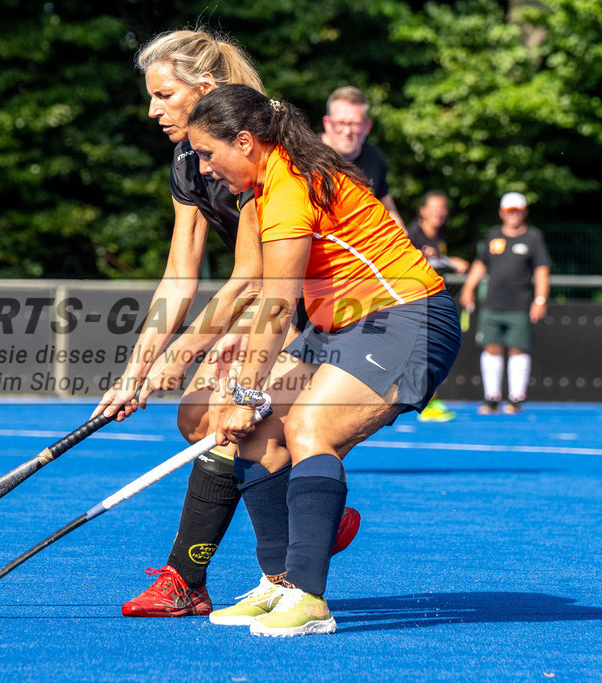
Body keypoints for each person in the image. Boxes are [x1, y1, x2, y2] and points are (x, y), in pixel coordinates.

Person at [137, 84, 460, 636]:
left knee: (310, 427)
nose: (206, 170)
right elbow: (251, 286)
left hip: (406, 316)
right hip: (343, 325)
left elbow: (277, 301)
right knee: (250, 432)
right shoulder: (264, 187)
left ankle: (309, 598)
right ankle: (279, 581)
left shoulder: (287, 186)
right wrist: (205, 374)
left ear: (244, 141)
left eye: (210, 155)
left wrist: (243, 392)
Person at [92, 29, 359, 619]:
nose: (153, 108)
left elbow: (252, 278)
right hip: (266, 297)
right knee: (196, 418)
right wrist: (135, 369)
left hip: (313, 306)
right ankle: (302, 519)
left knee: (223, 417)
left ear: (204, 90)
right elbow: (179, 272)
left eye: (164, 95)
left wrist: (185, 352)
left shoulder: (247, 151)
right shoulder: (191, 158)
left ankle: (193, 578)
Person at [459, 192, 550, 415]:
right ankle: (492, 398)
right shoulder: (493, 235)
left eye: (517, 210)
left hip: (520, 305)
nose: (513, 215)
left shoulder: (533, 237)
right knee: (491, 348)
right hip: (492, 303)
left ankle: (516, 399)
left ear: (524, 212)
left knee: (518, 349)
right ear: (502, 212)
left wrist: (540, 299)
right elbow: (481, 265)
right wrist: (468, 288)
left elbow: (541, 271)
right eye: (510, 211)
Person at [405, 190, 469, 422]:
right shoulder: (412, 235)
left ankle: (427, 399)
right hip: (413, 302)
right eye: (433, 208)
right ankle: (425, 403)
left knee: (429, 351)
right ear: (422, 210)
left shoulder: (437, 237)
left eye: (442, 208)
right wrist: (449, 261)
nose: (438, 213)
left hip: (431, 302)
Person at [320, 86, 404, 228]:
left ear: (367, 126)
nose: (347, 131)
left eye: (355, 124)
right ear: (327, 124)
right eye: (340, 123)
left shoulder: (375, 158)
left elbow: (388, 210)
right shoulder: (306, 158)